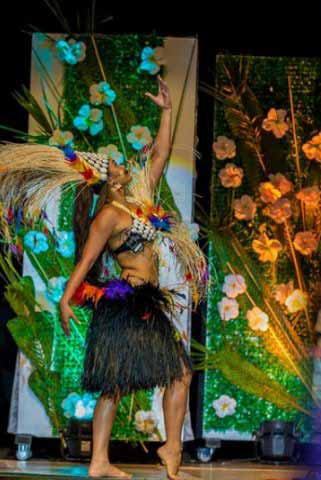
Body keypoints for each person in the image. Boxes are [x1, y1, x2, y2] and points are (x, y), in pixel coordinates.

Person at [0, 77, 206, 479]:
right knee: (165, 375)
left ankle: (112, 459)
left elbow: (161, 153)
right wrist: (65, 300)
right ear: (107, 178)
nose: (126, 164)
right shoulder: (108, 216)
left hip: (146, 302)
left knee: (129, 383)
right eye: (116, 163)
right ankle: (166, 448)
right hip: (127, 304)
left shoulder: (141, 200)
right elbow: (86, 260)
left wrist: (166, 111)